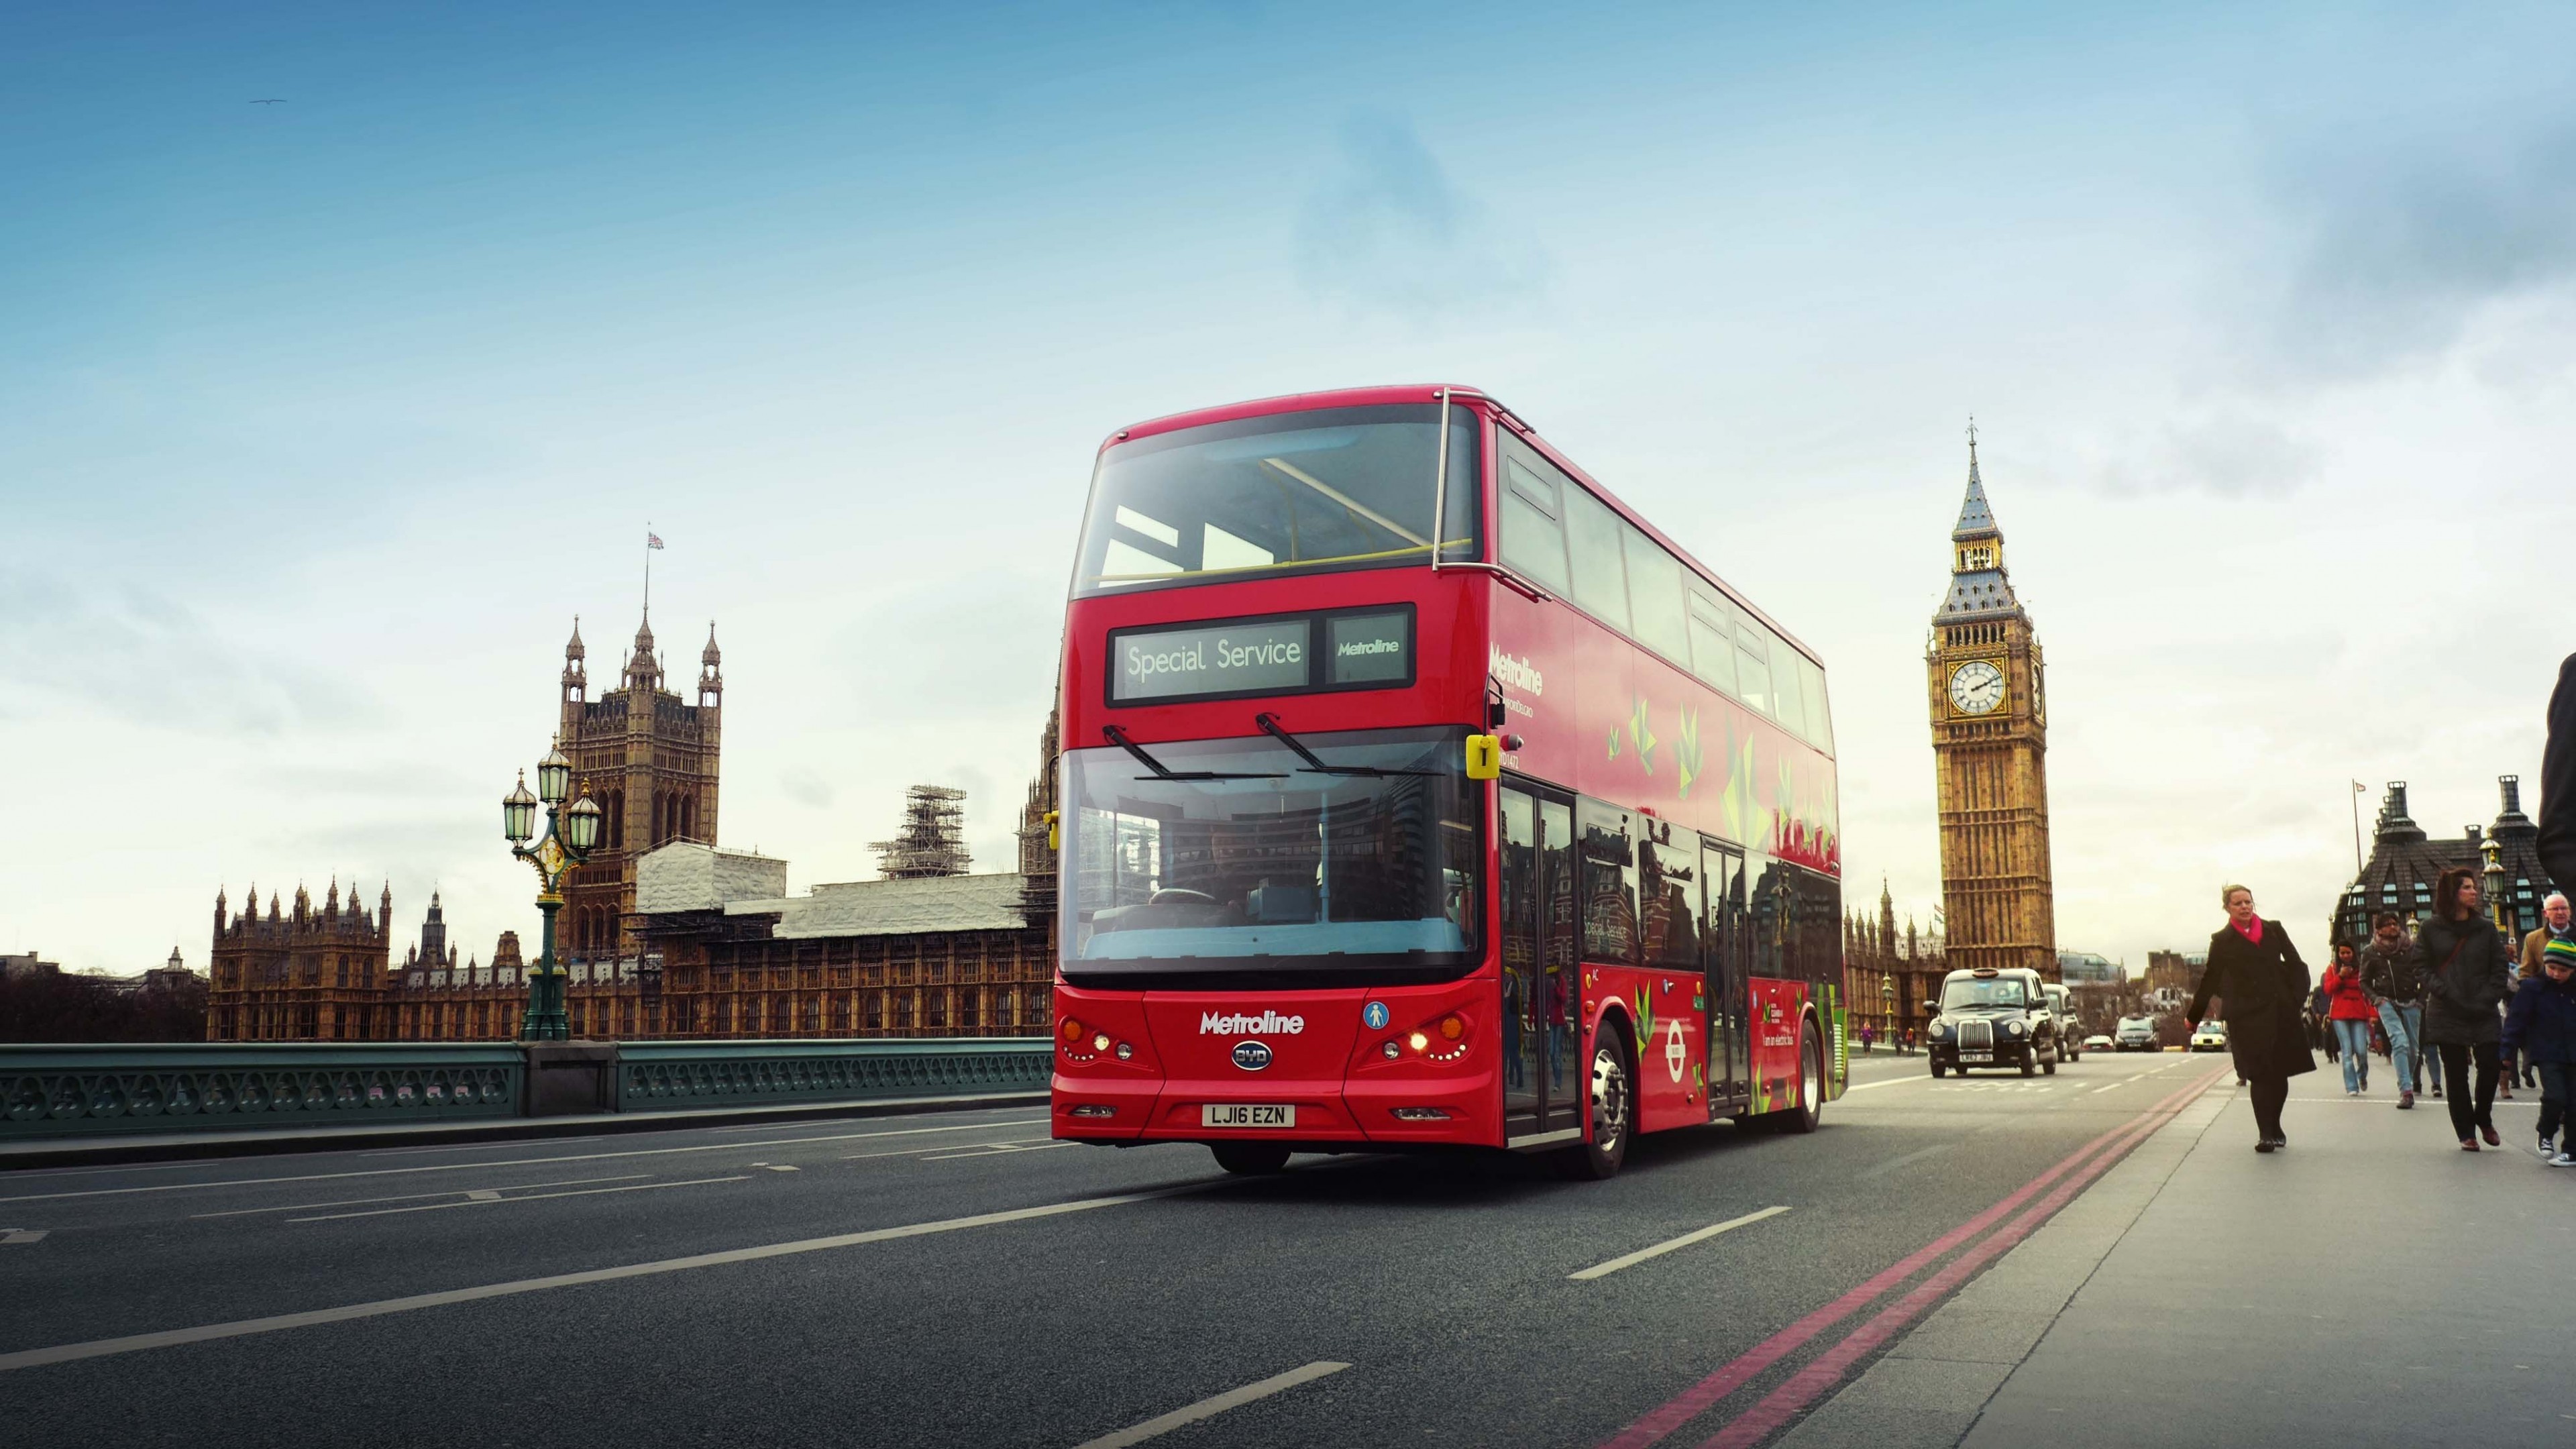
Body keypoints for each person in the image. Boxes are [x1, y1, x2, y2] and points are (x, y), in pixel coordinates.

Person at [2188, 884, 2314, 1152]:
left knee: (2279, 1074)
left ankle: (2276, 1125)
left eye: (2248, 902)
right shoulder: (2222, 940)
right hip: (2246, 1014)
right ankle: (2265, 1134)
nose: (2245, 907)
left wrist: (2296, 999)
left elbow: (2295, 964)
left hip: (2280, 1010)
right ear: (2228, 908)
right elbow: (2210, 979)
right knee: (2259, 1074)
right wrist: (2194, 1016)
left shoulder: (2274, 929)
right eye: (2238, 904)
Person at [2417, 865, 2516, 1150]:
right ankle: (2466, 1132)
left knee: (2490, 1063)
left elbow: (2500, 967)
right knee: (2456, 1072)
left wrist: (2489, 995)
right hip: (2447, 1007)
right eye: (2468, 887)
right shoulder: (2430, 928)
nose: (2475, 892)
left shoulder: (2485, 928)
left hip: (2483, 1005)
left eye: (2475, 887)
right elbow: (2421, 967)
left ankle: (2483, 1116)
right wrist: (2444, 990)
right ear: (2453, 893)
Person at [2504, 936, 2576, 1164]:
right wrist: (2506, 1052)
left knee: (2574, 1103)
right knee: (2555, 1097)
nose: (2556, 974)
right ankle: (2546, 1133)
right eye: (2552, 968)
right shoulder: (2534, 988)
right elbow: (2516, 1021)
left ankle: (2571, 1150)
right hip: (2548, 1053)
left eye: (2563, 970)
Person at [2361, 913, 2430, 1109]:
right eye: (2388, 924)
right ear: (2379, 929)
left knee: (2414, 1049)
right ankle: (2406, 1091)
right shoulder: (2371, 951)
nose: (2393, 927)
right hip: (2387, 1001)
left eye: (2395, 924)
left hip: (2411, 1000)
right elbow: (2364, 981)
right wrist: (2376, 999)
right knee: (2400, 1042)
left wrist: (2421, 999)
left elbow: (2424, 973)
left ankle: (2404, 1079)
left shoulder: (2410, 947)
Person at [2320, 941, 2374, 1095]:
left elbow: (2367, 991)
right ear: (2338, 954)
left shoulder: (2361, 969)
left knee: (2361, 1050)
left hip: (2358, 1012)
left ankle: (2362, 1075)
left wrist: (2372, 1014)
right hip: (2340, 1014)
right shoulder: (2332, 969)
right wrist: (2341, 977)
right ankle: (2351, 1086)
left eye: (2348, 952)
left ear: (2353, 953)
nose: (2345, 956)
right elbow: (2328, 989)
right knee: (2347, 1051)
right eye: (2342, 953)